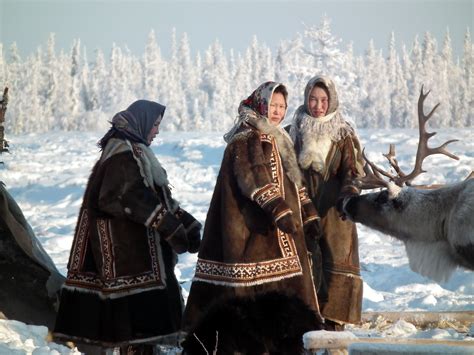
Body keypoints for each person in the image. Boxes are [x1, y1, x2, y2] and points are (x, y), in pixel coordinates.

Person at [53, 100, 202, 354]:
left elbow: (154, 194)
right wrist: (167, 225)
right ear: (142, 123)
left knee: (140, 330)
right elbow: (126, 194)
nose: (156, 132)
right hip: (126, 256)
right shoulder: (121, 150)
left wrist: (185, 222)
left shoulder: (135, 149)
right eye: (154, 126)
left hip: (136, 255)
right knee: (135, 329)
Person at [183, 81, 322, 333]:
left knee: (281, 292)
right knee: (253, 296)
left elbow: (293, 181)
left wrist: (309, 213)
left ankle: (287, 336)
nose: (278, 111)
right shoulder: (247, 137)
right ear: (261, 104)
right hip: (251, 230)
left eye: (282, 106)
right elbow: (253, 178)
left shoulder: (278, 138)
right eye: (273, 105)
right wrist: (279, 209)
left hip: (278, 229)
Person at [289, 76, 365, 330]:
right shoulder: (294, 129)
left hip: (335, 210)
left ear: (331, 101)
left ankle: (335, 322)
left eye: (323, 100)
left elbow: (353, 169)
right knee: (307, 261)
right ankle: (308, 318)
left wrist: (349, 193)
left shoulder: (344, 132)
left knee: (336, 261)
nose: (318, 105)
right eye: (313, 99)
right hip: (304, 207)